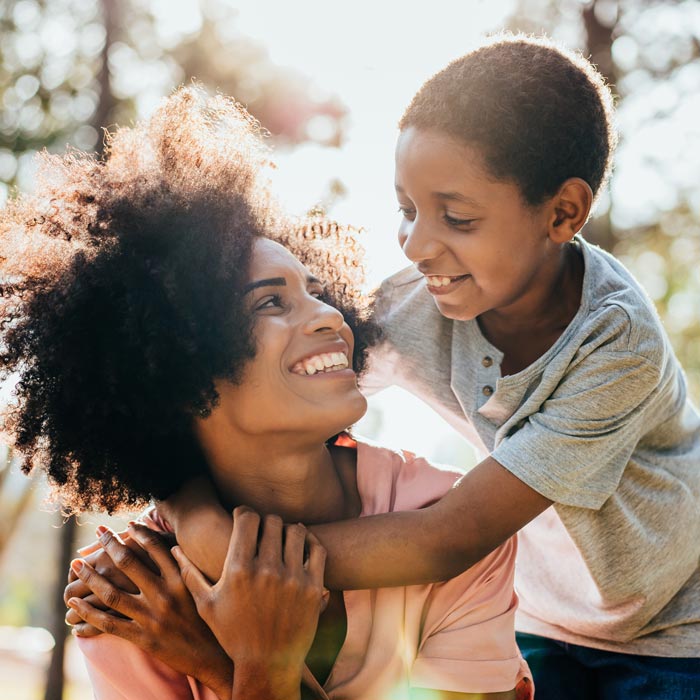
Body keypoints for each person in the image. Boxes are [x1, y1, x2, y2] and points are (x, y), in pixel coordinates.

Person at [151, 36, 700, 699]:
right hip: (543, 618)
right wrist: (184, 504)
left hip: (670, 635)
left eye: (457, 217)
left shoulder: (616, 346)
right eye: (407, 210)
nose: (415, 243)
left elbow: (448, 536)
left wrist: (239, 560)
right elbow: (260, 395)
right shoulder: (414, 305)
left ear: (562, 213)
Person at [0, 87, 531, 699]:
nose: (332, 318)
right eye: (271, 302)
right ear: (178, 365)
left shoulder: (441, 514)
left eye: (317, 293)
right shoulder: (133, 596)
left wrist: (232, 665)